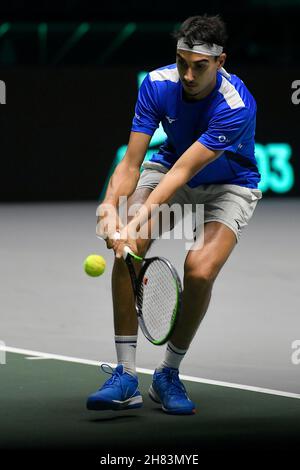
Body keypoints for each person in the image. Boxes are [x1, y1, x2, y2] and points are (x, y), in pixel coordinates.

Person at [87, 14, 262, 415]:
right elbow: (132, 163)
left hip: (229, 183)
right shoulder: (156, 84)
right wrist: (110, 208)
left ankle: (168, 373)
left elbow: (187, 171)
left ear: (221, 62)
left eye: (199, 66)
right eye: (182, 61)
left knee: (199, 269)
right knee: (127, 248)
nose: (187, 74)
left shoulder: (236, 104)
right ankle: (126, 375)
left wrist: (131, 219)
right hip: (167, 167)